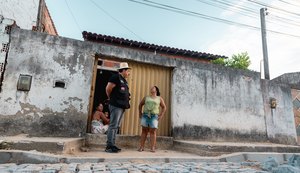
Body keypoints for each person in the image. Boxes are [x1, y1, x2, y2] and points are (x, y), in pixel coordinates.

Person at [105, 62, 131, 153]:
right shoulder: (115, 77)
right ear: (123, 70)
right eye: (127, 71)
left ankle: (113, 144)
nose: (129, 73)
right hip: (115, 105)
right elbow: (108, 89)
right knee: (113, 125)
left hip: (121, 106)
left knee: (116, 126)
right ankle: (109, 146)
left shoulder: (124, 80)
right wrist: (110, 98)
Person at [138, 86, 166, 152]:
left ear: (156, 90)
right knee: (144, 131)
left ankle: (152, 147)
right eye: (151, 88)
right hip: (145, 115)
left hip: (154, 116)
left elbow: (164, 107)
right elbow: (140, 105)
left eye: (153, 88)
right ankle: (141, 147)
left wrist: (161, 115)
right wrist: (140, 113)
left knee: (153, 131)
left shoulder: (159, 98)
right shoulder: (146, 98)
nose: (151, 88)